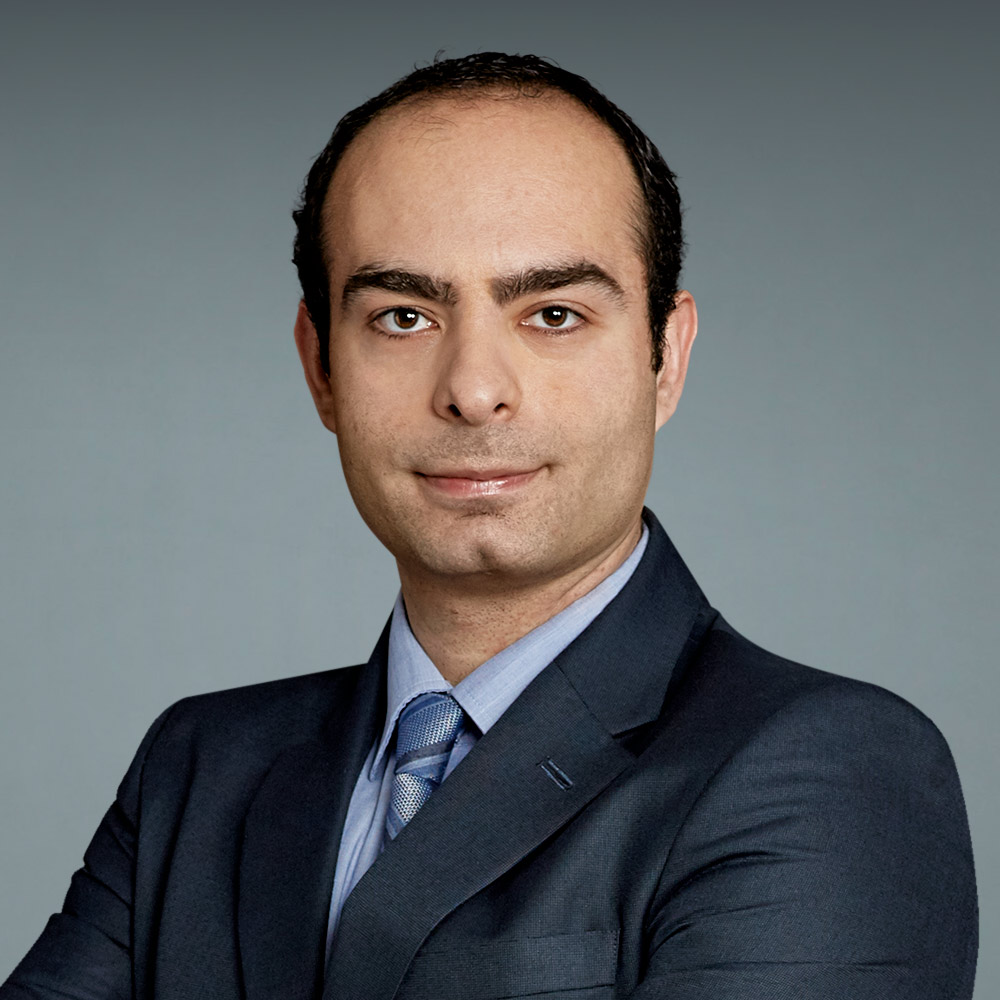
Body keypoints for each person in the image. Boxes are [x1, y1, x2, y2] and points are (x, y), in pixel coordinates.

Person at [2, 52, 977, 1000]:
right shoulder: (202, 767)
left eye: (553, 314)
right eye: (402, 317)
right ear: (319, 365)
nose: (472, 389)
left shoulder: (829, 769)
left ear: (665, 357)